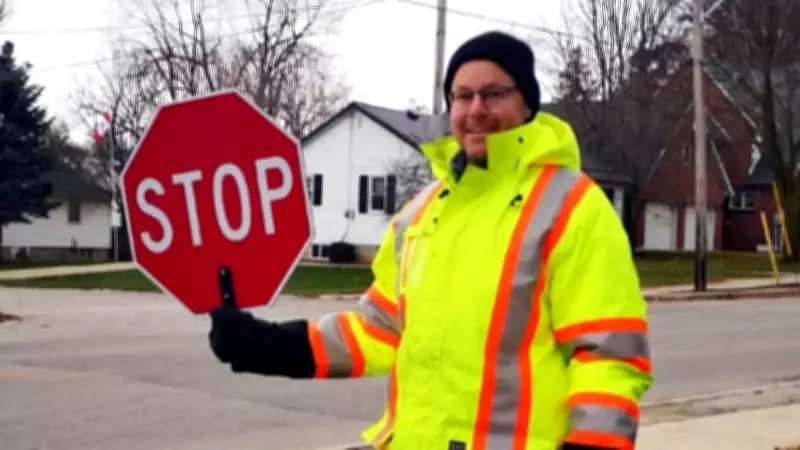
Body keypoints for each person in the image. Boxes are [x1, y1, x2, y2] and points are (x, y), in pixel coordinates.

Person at [208, 30, 653, 450]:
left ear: (527, 105)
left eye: (494, 93)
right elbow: (377, 330)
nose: (476, 109)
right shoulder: (420, 213)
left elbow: (610, 359)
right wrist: (265, 346)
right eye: (462, 96)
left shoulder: (573, 206)